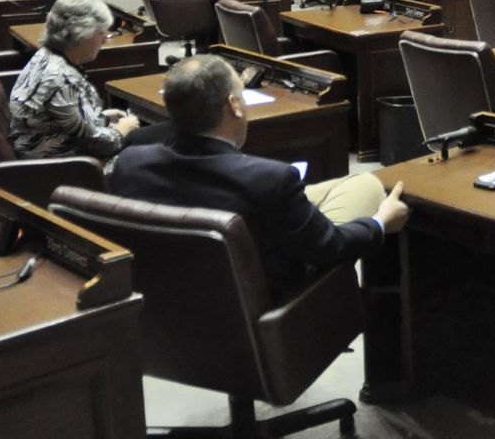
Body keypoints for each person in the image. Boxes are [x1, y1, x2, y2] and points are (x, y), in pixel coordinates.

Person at [110, 54, 409, 298]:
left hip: (169, 305)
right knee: (369, 186)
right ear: (234, 105)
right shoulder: (269, 179)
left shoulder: (131, 161)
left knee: (349, 185)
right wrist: (381, 223)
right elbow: (331, 248)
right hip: (264, 304)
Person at [9, 0, 141, 164]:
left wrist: (103, 118)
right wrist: (123, 130)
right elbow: (98, 144)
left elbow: (65, 120)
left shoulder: (45, 55)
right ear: (81, 33)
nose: (105, 41)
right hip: (66, 168)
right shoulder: (61, 78)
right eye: (101, 32)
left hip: (52, 150)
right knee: (151, 155)